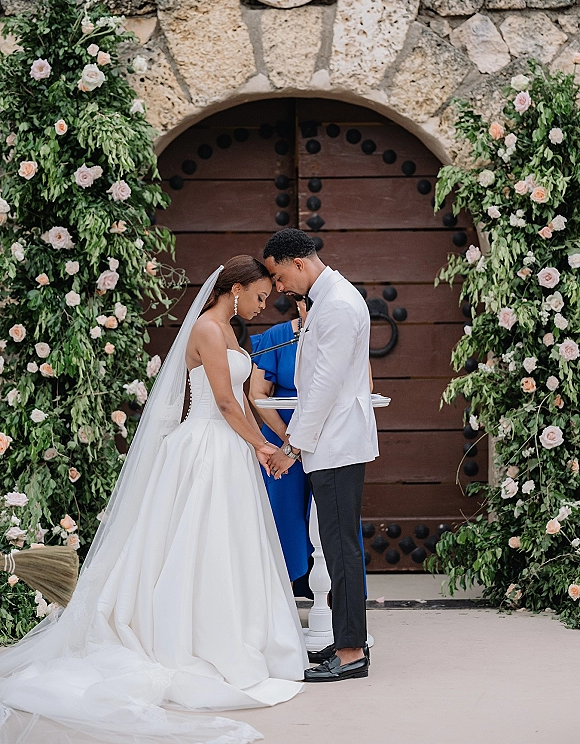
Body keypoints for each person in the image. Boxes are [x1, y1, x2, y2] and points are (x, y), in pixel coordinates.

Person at [0, 256, 307, 744]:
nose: (263, 304)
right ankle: (186, 635)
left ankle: (239, 633)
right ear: (235, 290)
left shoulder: (234, 333)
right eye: (259, 295)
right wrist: (264, 448)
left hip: (229, 448)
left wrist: (286, 441)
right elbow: (224, 403)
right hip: (204, 447)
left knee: (230, 545)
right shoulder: (207, 329)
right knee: (193, 541)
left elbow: (250, 400)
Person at [263, 229, 379, 683]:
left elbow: (324, 388)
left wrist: (292, 447)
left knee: (340, 547)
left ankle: (351, 653)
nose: (277, 288)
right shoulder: (326, 300)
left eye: (277, 276)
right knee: (335, 545)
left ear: (296, 262)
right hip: (329, 442)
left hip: (334, 444)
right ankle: (346, 642)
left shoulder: (338, 306)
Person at [249, 298, 314, 591]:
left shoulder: (342, 333)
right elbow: (257, 393)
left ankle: (334, 601)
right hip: (281, 437)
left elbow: (365, 385)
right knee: (282, 513)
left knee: (329, 517)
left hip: (325, 436)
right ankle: (282, 595)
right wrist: (290, 439)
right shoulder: (276, 337)